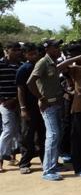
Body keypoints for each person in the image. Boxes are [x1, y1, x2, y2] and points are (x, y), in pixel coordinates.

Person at [26, 39, 65, 181]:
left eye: (58, 47)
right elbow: (30, 82)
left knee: (58, 134)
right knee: (53, 135)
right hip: (48, 106)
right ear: (47, 49)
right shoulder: (42, 62)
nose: (58, 49)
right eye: (55, 47)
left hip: (57, 104)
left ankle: (53, 165)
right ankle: (48, 170)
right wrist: (41, 98)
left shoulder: (52, 62)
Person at [16, 43, 45, 174]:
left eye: (35, 53)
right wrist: (23, 108)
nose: (34, 56)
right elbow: (20, 89)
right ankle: (24, 163)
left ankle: (46, 161)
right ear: (25, 55)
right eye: (30, 54)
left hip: (42, 106)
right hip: (29, 107)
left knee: (43, 135)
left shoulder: (41, 66)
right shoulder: (23, 69)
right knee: (28, 135)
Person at [0, 42, 23, 171]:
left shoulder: (21, 65)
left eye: (18, 50)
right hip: (5, 103)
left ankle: (12, 157)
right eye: (14, 50)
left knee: (17, 131)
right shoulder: (1, 64)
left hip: (18, 103)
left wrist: (16, 100)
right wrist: (2, 101)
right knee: (8, 130)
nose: (17, 52)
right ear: (6, 50)